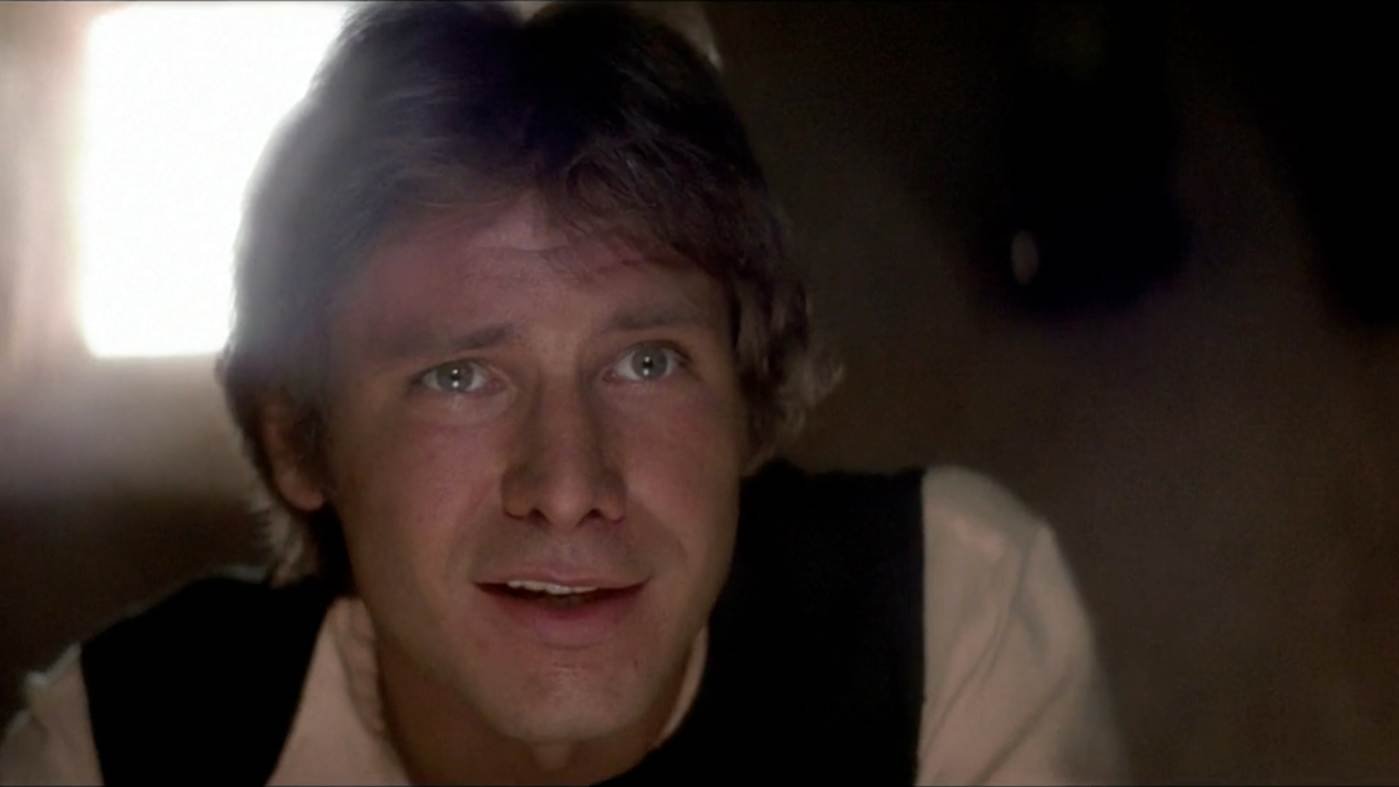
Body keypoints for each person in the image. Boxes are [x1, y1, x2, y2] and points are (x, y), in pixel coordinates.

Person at [0, 2, 1124, 783]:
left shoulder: (943, 618)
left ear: (747, 394)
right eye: (459, 377)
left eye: (646, 362)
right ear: (300, 440)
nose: (570, 483)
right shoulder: (118, 744)